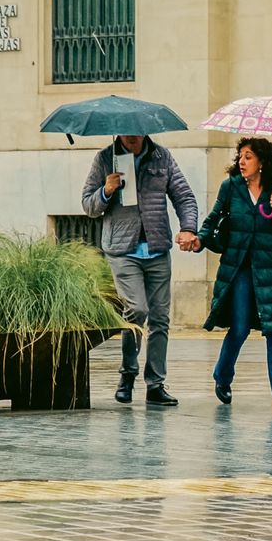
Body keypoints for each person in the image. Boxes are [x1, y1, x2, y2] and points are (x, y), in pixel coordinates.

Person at [81, 133, 201, 407]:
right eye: (127, 133)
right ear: (119, 133)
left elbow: (185, 197)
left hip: (157, 248)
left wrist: (188, 228)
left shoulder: (162, 157)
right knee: (137, 310)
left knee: (160, 318)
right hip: (123, 250)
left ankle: (155, 385)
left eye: (137, 132)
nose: (133, 137)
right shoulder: (104, 159)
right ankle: (127, 375)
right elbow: (89, 206)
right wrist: (106, 190)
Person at [199, 137, 272, 411]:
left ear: (262, 162)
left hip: (271, 270)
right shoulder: (231, 187)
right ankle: (222, 376)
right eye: (240, 157)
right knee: (240, 327)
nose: (242, 162)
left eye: (248, 157)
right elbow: (212, 221)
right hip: (240, 268)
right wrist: (198, 239)